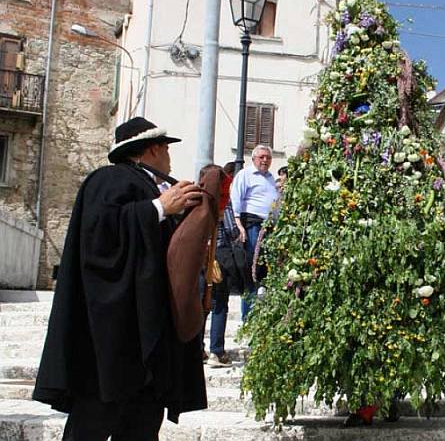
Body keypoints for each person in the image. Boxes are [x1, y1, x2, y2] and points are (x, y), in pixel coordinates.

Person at [33, 117, 208, 440]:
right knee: (93, 424)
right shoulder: (110, 179)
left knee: (141, 426)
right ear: (154, 148)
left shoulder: (151, 187)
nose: (169, 157)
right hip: (111, 342)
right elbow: (100, 234)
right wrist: (157, 207)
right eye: (167, 149)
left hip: (145, 339)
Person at [230, 144, 279, 322]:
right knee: (251, 270)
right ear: (254, 159)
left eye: (268, 157)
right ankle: (247, 318)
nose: (265, 160)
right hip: (253, 225)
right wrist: (239, 225)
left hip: (270, 227)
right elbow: (236, 198)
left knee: (266, 271)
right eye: (262, 157)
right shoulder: (245, 175)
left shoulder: (271, 178)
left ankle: (261, 317)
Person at [198, 163, 236, 368]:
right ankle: (216, 351)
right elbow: (232, 230)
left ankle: (198, 349)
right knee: (219, 304)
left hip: (198, 259)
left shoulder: (194, 199)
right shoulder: (223, 204)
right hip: (218, 257)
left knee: (200, 305)